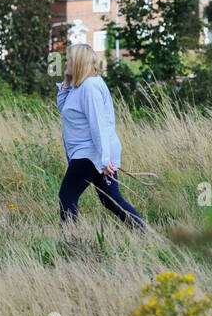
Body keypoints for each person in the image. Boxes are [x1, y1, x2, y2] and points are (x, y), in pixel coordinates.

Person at [55, 42, 145, 229]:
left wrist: (104, 161)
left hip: (90, 154)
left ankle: (72, 242)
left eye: (69, 59)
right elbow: (63, 107)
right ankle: (144, 233)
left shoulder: (89, 87)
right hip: (92, 153)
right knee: (111, 200)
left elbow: (99, 126)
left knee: (67, 195)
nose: (66, 62)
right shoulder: (79, 85)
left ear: (78, 61)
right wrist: (66, 81)